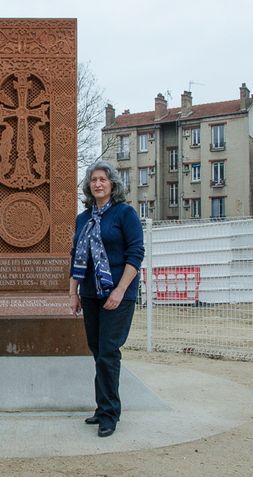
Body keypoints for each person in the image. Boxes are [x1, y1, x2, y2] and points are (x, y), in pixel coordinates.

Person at [69, 160, 145, 438]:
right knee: (98, 352)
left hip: (117, 294)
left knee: (109, 353)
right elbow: (76, 256)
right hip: (90, 294)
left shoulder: (125, 214)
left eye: (103, 179)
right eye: (93, 180)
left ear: (113, 184)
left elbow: (136, 253)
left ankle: (110, 414)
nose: (98, 184)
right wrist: (73, 293)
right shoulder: (83, 218)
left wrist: (120, 290)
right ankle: (103, 408)